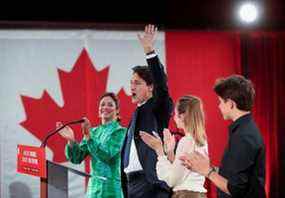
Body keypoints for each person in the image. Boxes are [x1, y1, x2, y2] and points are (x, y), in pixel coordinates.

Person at [180, 75, 266, 198]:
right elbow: (235, 174)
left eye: (220, 101)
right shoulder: (244, 130)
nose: (219, 106)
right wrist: (206, 167)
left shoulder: (244, 136)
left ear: (231, 104)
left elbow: (235, 189)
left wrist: (207, 171)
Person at [121, 24, 173, 198]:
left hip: (150, 184)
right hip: (132, 185)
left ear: (150, 87)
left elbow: (162, 85)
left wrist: (149, 51)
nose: (132, 87)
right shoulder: (138, 112)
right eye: (131, 83)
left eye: (137, 83)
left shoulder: (158, 107)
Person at [58, 92, 127, 198]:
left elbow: (107, 155)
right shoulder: (93, 132)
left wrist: (88, 136)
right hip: (93, 190)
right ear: (99, 110)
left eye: (110, 104)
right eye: (102, 104)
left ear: (117, 110)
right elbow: (77, 158)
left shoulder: (121, 132)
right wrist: (71, 140)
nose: (105, 107)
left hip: (111, 190)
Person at [140, 95, 208, 198]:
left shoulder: (186, 142)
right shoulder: (200, 141)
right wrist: (170, 152)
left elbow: (172, 180)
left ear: (182, 116)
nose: (174, 118)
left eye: (175, 114)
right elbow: (181, 172)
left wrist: (159, 151)